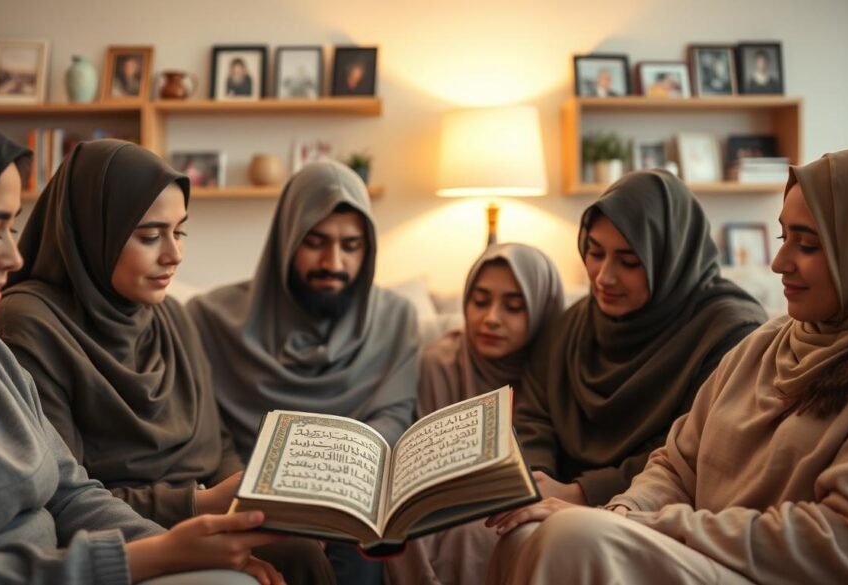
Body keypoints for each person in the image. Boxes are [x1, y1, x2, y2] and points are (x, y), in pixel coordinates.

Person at [0, 93, 285, 585]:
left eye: (12, 227)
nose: (13, 257)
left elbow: (70, 492)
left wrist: (178, 548)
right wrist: (158, 551)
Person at [485, 147, 848, 585]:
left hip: (766, 572)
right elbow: (675, 464)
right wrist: (623, 511)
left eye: (809, 245)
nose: (779, 263)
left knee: (568, 537)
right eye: (783, 239)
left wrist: (632, 521)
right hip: (695, 546)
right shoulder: (766, 344)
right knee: (524, 535)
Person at [0, 139, 335, 584]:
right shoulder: (28, 324)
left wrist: (252, 502)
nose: (174, 255)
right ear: (94, 233)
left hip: (204, 513)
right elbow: (61, 493)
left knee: (302, 547)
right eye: (150, 236)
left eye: (179, 232)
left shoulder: (170, 315)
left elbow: (217, 445)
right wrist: (201, 505)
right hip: (119, 535)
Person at [187, 160, 420, 585]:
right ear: (286, 239)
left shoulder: (396, 319)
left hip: (351, 500)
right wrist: (267, 505)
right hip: (249, 499)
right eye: (315, 242)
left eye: (352, 246)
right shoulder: (210, 319)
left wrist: (329, 496)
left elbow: (391, 419)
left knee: (361, 547)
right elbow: (212, 437)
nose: (334, 262)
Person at [490, 170, 766, 513]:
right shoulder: (574, 324)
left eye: (629, 261)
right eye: (595, 253)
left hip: (659, 511)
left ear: (670, 258)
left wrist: (583, 492)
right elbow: (535, 415)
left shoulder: (729, 334)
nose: (604, 277)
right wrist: (535, 480)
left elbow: (695, 448)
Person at [385, 243, 562, 585]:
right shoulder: (440, 363)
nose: (491, 318)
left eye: (513, 307)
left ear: (541, 309)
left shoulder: (557, 372)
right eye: (480, 301)